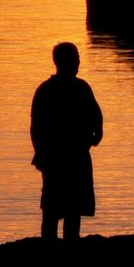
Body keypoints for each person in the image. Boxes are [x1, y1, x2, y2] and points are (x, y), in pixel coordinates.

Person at [30, 42, 104, 241]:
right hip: (59, 156)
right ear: (62, 62)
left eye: (78, 58)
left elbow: (96, 116)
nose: (78, 62)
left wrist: (97, 133)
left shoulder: (72, 88)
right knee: (55, 207)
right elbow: (37, 127)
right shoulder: (52, 90)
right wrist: (40, 153)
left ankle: (66, 243)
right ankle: (56, 243)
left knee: (72, 206)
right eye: (75, 58)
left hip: (73, 154)